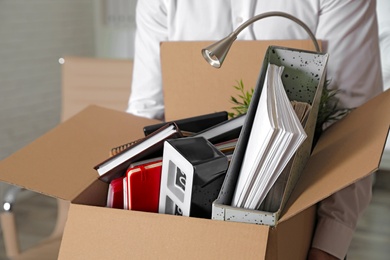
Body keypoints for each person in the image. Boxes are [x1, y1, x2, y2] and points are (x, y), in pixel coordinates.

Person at [127, 1, 383, 259]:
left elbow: (352, 123)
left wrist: (329, 244)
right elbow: (146, 112)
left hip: (297, 226)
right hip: (183, 226)